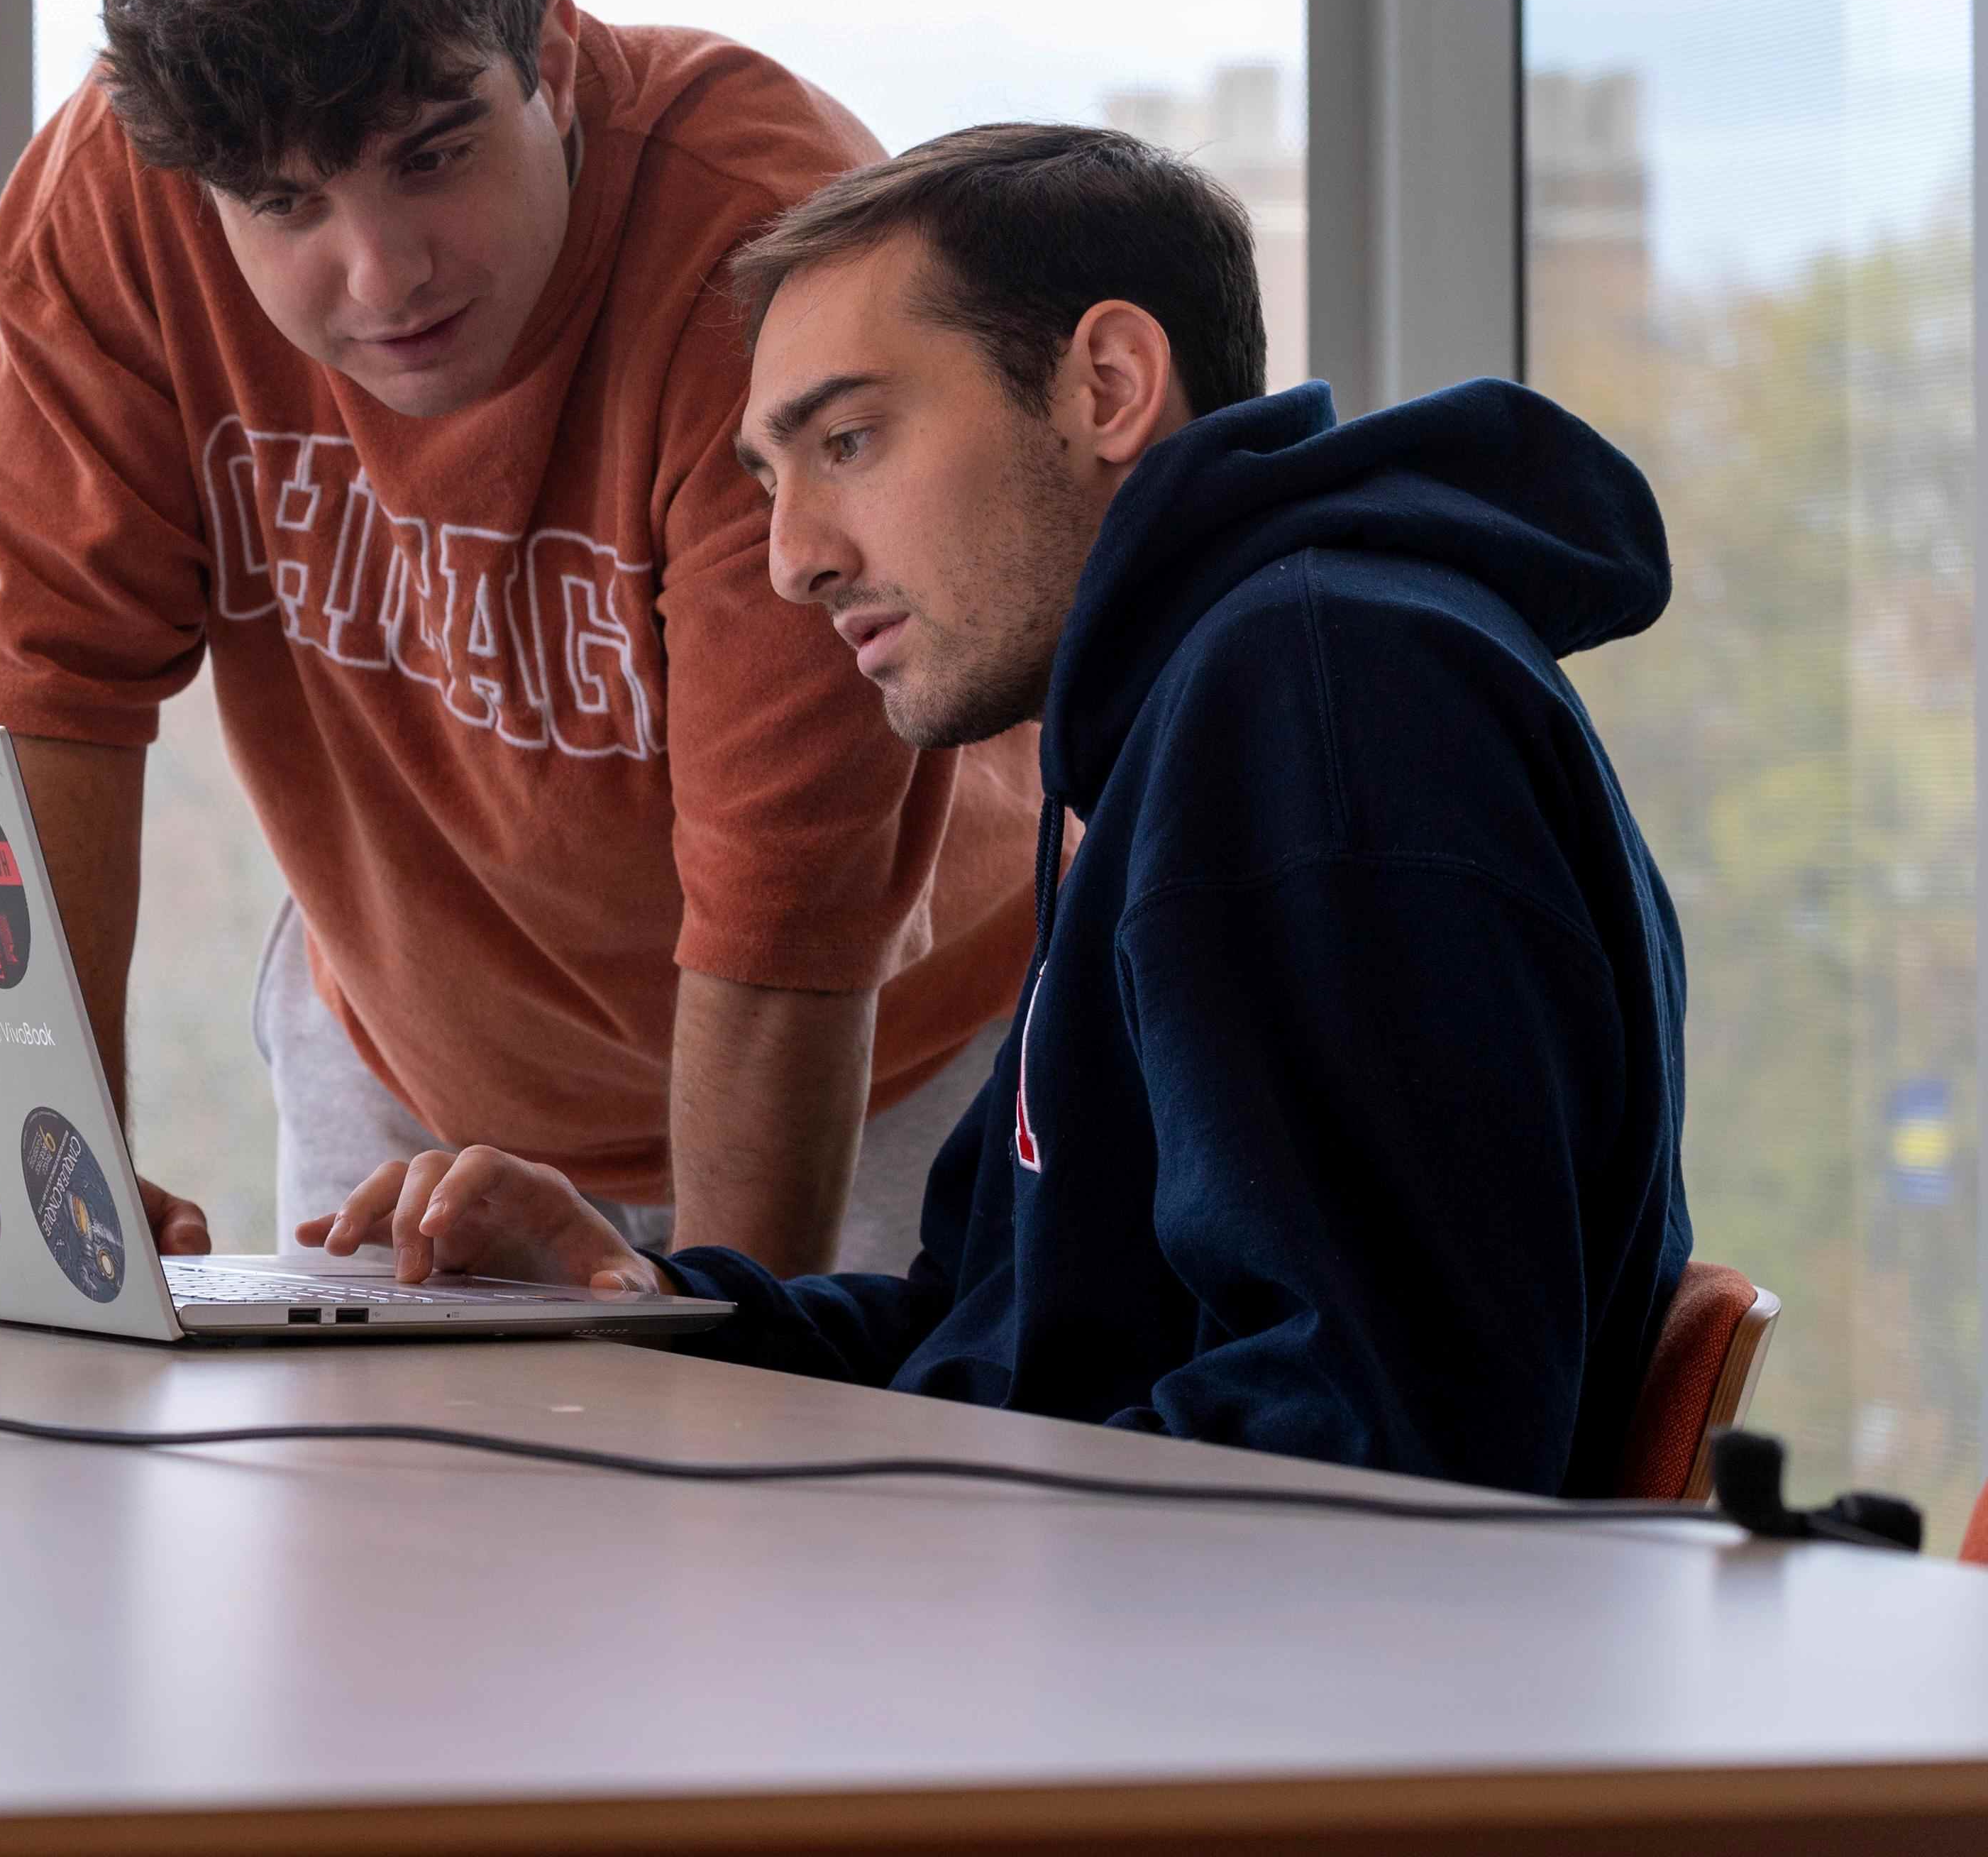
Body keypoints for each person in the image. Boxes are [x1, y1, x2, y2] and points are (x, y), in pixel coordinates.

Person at [309, 123, 1693, 1494]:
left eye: (848, 438)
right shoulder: (1178, 714)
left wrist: (862, 1562)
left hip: (1247, 1695)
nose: (793, 558)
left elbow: (1362, 1455)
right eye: (768, 478)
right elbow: (988, 1340)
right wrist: (640, 1298)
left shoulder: (1317, 703)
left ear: (1105, 383)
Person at [0, 0, 1037, 1273]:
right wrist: (51, 1197)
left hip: (876, 1061)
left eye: (434, 155)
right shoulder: (118, 202)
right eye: (285, 205)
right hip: (403, 1056)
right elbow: (49, 694)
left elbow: (789, 914)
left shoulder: (765, 258)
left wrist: (724, 1355)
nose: (381, 272)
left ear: (541, 44)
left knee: (762, 1493)